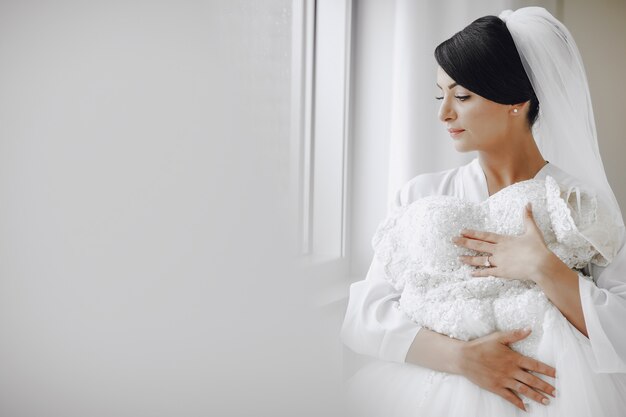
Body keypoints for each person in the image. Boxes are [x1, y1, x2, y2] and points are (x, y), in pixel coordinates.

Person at [340, 7, 626, 416]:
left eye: (462, 96)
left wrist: (544, 267)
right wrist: (462, 359)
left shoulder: (577, 203)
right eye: (441, 95)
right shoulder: (423, 195)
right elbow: (363, 316)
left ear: (517, 100)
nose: (444, 113)